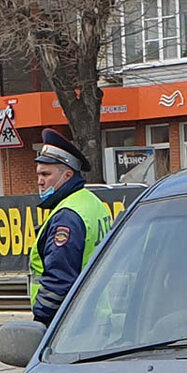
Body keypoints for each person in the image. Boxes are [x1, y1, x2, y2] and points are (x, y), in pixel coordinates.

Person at [29, 129, 113, 325]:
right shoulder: (92, 203)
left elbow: (59, 280)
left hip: (72, 323)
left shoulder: (66, 216)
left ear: (67, 175)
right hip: (97, 314)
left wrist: (41, 321)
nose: (40, 181)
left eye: (46, 174)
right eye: (38, 174)